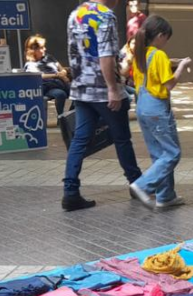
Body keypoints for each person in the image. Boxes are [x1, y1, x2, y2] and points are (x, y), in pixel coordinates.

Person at [63, 0, 143, 212]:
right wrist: (112, 88)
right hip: (102, 90)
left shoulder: (75, 14)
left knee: (79, 139)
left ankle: (70, 192)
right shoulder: (105, 16)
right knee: (122, 139)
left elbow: (72, 52)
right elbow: (106, 55)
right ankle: (137, 184)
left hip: (81, 88)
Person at [129, 15, 191, 209]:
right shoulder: (159, 56)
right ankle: (143, 185)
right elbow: (170, 84)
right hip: (157, 108)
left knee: (159, 154)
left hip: (142, 107)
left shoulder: (141, 54)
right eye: (167, 37)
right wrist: (181, 66)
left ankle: (166, 195)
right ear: (161, 35)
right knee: (172, 153)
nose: (166, 42)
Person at [23, 35, 70, 116]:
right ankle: (61, 118)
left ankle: (70, 115)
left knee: (78, 91)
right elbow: (38, 76)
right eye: (41, 48)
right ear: (33, 50)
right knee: (60, 94)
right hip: (47, 88)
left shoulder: (49, 57)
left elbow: (61, 68)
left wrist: (63, 73)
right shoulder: (30, 64)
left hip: (60, 83)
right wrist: (57, 75)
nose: (44, 49)